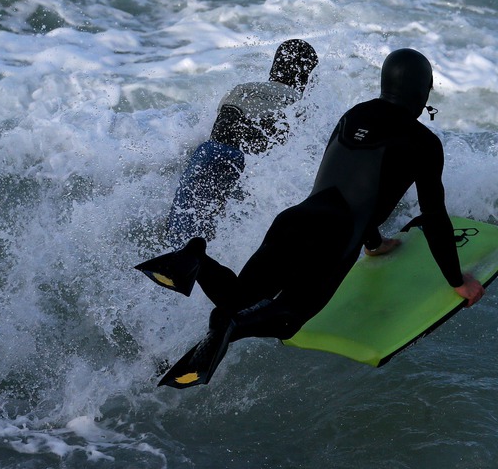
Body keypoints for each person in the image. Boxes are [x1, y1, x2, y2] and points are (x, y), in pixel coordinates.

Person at [136, 48, 485, 388]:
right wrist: (457, 281)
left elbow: (351, 182)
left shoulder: (354, 115)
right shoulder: (423, 141)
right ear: (422, 90)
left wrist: (377, 244)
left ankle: (195, 257)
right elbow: (434, 216)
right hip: (335, 236)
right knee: (287, 317)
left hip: (294, 220)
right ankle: (230, 327)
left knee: (238, 297)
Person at [165, 39, 319, 248]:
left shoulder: (241, 89)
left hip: (208, 153)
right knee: (226, 240)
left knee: (179, 241)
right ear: (306, 74)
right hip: (248, 169)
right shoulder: (299, 103)